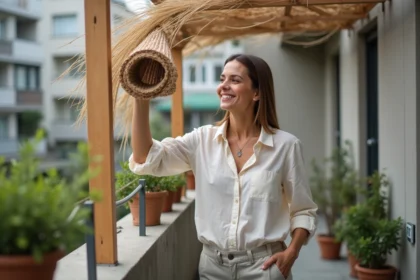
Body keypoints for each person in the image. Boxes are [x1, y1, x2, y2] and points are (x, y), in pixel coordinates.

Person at [129, 54, 318, 280]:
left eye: (235, 80)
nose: (223, 86)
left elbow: (303, 210)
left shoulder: (286, 146)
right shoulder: (201, 141)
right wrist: (141, 98)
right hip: (212, 268)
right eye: (222, 78)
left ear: (257, 93)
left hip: (265, 268)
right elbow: (146, 158)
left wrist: (291, 253)